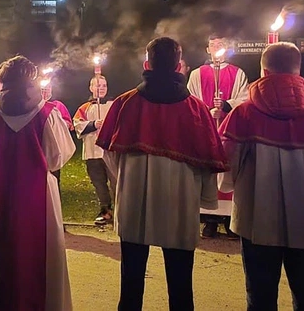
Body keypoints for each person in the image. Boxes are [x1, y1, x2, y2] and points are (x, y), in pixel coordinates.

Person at [96, 37, 226, 311]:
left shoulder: (125, 103)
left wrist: (125, 182)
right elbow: (208, 160)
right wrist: (205, 198)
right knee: (181, 285)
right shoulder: (197, 109)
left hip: (134, 200)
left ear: (147, 64)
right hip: (179, 203)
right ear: (179, 66)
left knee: (130, 280)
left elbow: (109, 153)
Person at [218, 42, 304, 311]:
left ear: (264, 70)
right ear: (298, 70)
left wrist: (231, 184)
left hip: (258, 216)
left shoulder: (244, 113)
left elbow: (228, 160)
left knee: (260, 293)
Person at [0, 56, 75, 311]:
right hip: (40, 192)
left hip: (4, 190)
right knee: (41, 252)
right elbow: (58, 156)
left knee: (5, 249)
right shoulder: (47, 113)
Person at [187, 35, 249, 238]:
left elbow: (244, 98)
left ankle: (230, 221)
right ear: (208, 49)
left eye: (222, 44)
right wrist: (207, 111)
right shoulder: (197, 74)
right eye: (214, 45)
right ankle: (210, 220)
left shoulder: (237, 73)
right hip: (206, 129)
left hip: (229, 130)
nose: (217, 48)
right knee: (209, 173)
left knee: (229, 172)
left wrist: (225, 106)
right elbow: (190, 99)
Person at [74, 74, 116, 225]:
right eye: (98, 86)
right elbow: (77, 124)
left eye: (104, 86)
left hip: (110, 151)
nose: (101, 88)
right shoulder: (85, 108)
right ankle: (105, 211)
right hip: (92, 151)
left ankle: (120, 212)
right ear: (91, 88)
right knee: (99, 183)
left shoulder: (113, 105)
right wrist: (93, 124)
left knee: (115, 181)